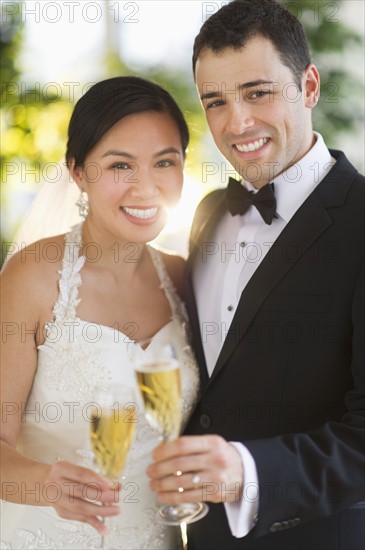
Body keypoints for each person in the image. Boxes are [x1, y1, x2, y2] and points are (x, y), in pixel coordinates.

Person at [147, 1, 365, 549]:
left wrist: (248, 472)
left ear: (309, 86)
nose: (236, 123)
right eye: (215, 102)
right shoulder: (207, 215)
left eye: (258, 92)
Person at [0, 76, 200, 550]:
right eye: (120, 165)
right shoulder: (34, 276)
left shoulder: (186, 277)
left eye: (164, 162)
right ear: (78, 173)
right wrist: (45, 484)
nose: (145, 187)